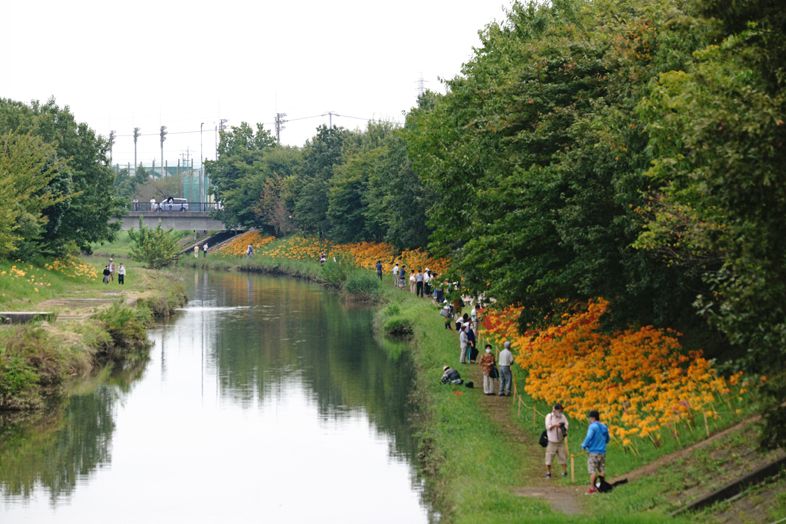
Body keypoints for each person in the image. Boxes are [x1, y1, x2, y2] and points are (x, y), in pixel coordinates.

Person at [581, 410, 610, 494]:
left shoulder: (592, 426)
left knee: (592, 470)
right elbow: (607, 439)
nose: (589, 420)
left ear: (593, 418)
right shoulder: (604, 426)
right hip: (602, 452)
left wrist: (583, 445)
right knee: (601, 470)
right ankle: (602, 486)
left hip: (593, 452)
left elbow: (589, 437)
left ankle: (592, 488)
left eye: (589, 418)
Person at [545, 403, 569, 478]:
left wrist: (563, 428)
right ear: (555, 410)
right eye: (559, 410)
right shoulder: (549, 416)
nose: (560, 412)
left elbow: (566, 425)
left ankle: (564, 472)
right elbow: (548, 427)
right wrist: (556, 425)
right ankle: (548, 472)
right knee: (549, 458)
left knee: (563, 457)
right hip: (551, 441)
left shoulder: (563, 416)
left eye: (561, 410)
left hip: (560, 441)